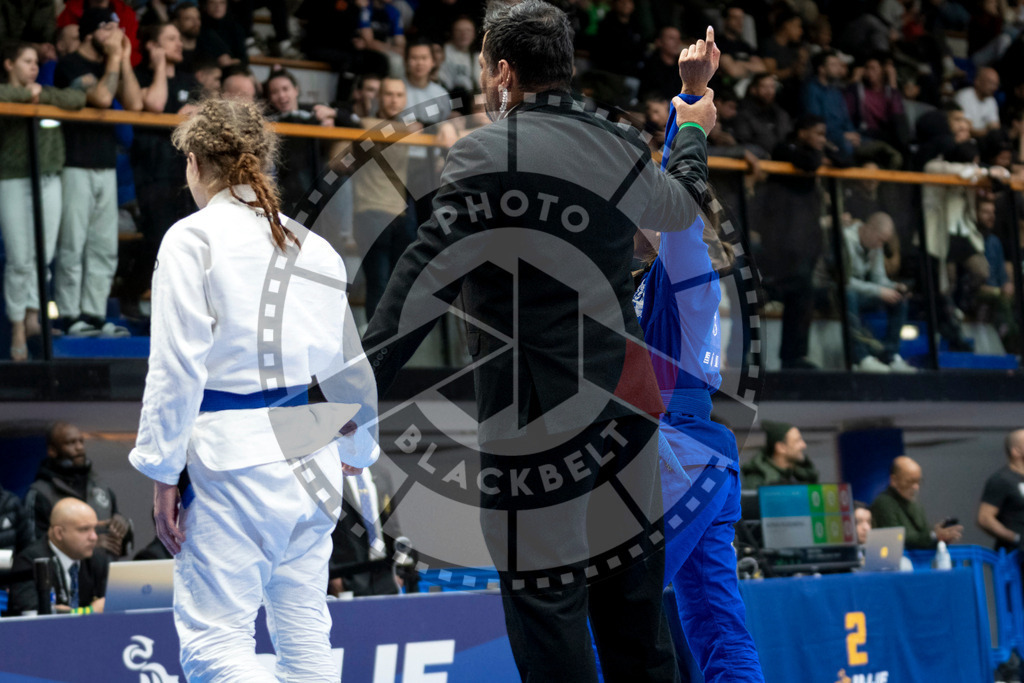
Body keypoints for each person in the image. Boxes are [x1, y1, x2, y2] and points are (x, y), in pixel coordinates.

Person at [361, 1, 718, 679]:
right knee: (633, 598)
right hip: (630, 403)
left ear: (502, 72)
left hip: (538, 412)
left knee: (545, 599)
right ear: (566, 65)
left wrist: (357, 388)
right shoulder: (617, 145)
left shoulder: (483, 152)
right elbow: (682, 202)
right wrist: (692, 109)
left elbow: (422, 282)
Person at [128, 97, 378, 681]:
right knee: (305, 633)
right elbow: (353, 370)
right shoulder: (311, 246)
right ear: (261, 160)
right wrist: (356, 451)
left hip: (232, 454)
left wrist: (163, 472)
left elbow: (176, 367)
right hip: (311, 449)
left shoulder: (193, 239)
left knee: (216, 644)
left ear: (194, 161)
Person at [632, 75, 765, 680]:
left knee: (611, 600)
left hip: (676, 450)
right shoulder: (660, 280)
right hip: (704, 456)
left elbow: (678, 201)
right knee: (714, 619)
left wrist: (686, 112)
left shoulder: (687, 273)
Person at [53, 7, 142, 337]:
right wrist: (115, 58)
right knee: (73, 243)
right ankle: (69, 314)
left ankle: (93, 313)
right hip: (74, 163)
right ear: (92, 32)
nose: (118, 35)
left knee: (104, 245)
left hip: (105, 164)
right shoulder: (70, 63)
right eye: (110, 28)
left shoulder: (111, 63)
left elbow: (133, 104)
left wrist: (123, 56)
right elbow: (103, 97)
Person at [0, 43, 86, 362]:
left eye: (36, 62)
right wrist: (29, 95)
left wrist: (41, 94)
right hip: (11, 179)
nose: (33, 66)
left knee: (43, 254)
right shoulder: (8, 93)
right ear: (9, 64)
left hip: (49, 178)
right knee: (20, 258)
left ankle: (34, 316)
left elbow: (77, 98)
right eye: (26, 61)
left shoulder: (45, 91)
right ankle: (17, 326)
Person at [133, 21, 199, 251]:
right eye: (171, 39)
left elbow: (204, 110)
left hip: (185, 170)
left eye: (179, 38)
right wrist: (160, 65)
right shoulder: (139, 76)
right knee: (159, 238)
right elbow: (156, 103)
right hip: (153, 170)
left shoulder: (188, 79)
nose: (179, 44)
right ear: (152, 45)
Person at [351, 77, 411, 319]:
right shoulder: (365, 124)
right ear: (378, 97)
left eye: (399, 95)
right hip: (370, 210)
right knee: (379, 283)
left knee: (396, 287)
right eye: (389, 94)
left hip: (400, 213)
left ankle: (388, 348)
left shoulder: (412, 129)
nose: (394, 99)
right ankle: (374, 351)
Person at [26, 422, 132, 557]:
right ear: (52, 450)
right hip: (63, 575)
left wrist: (122, 526)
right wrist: (87, 544)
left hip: (106, 571)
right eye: (70, 443)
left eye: (81, 441)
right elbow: (34, 547)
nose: (79, 447)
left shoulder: (100, 486)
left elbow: (121, 544)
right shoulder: (40, 493)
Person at [8, 498, 110, 615]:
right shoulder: (29, 562)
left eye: (94, 528)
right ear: (59, 533)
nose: (94, 537)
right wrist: (89, 611)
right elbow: (33, 614)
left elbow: (111, 606)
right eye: (84, 529)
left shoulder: (98, 559)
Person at [844, 212, 916, 373]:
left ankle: (891, 355)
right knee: (849, 296)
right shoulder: (846, 239)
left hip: (861, 291)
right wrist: (878, 291)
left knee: (899, 299)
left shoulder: (876, 245)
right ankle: (861, 358)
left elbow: (879, 278)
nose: (880, 245)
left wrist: (894, 287)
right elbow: (844, 281)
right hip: (835, 292)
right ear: (868, 229)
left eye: (884, 242)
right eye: (880, 239)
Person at [329, 465, 403, 596]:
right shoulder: (330, 472)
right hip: (347, 574)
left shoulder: (380, 471)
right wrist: (333, 576)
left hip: (384, 572)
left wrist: (399, 571)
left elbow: (392, 523)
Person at [870, 455, 963, 550]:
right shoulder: (883, 503)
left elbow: (921, 535)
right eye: (910, 481)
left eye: (918, 482)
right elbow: (897, 538)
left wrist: (938, 534)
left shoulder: (915, 505)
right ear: (894, 480)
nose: (916, 487)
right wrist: (933, 535)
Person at [977, 429, 1024, 551]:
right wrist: (1015, 538)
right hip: (1015, 556)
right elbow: (985, 518)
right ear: (1016, 451)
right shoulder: (1001, 480)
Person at [741, 420, 820, 488]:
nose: (803, 445)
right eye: (797, 441)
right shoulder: (757, 481)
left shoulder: (803, 476)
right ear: (781, 447)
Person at [955, 66, 1001, 137]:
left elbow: (995, 127)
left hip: (985, 140)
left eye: (995, 84)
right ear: (977, 81)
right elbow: (968, 130)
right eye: (990, 83)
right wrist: (989, 132)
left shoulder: (991, 100)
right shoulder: (964, 96)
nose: (994, 88)